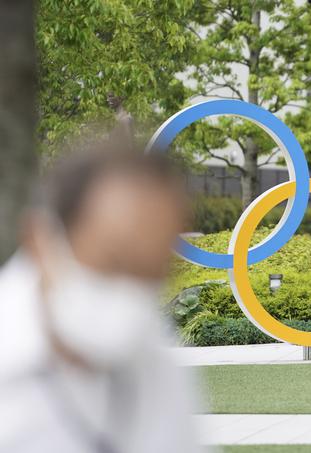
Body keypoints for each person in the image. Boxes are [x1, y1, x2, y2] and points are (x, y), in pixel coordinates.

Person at [0, 145, 202, 453]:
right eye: (114, 264)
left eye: (152, 273)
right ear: (40, 243)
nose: (132, 293)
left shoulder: (153, 359)